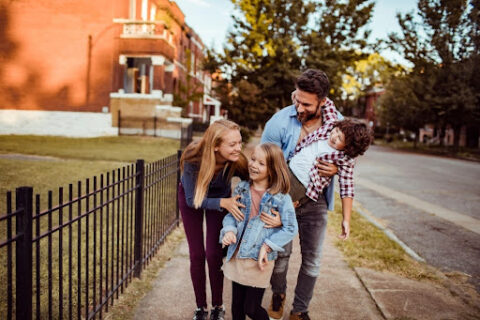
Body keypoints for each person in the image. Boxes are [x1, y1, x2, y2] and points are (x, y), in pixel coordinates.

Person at [261, 69, 343, 320]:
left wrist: (336, 167)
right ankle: (278, 292)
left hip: (316, 200)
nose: (299, 106)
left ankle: (300, 309)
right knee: (281, 254)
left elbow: (349, 155)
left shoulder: (338, 123)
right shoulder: (280, 120)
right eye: (297, 99)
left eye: (306, 104)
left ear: (322, 101)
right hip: (283, 195)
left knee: (312, 259)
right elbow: (264, 159)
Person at [179, 119, 250, 320]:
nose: (239, 148)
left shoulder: (237, 160)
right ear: (216, 146)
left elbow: (254, 182)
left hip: (221, 197)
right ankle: (201, 307)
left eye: (240, 142)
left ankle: (218, 306)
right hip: (193, 198)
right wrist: (224, 203)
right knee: (197, 254)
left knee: (213, 253)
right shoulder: (193, 158)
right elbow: (193, 200)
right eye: (233, 144)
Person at [220, 143, 298, 320]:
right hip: (238, 255)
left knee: (252, 309)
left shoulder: (281, 198)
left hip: (259, 259)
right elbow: (232, 216)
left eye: (261, 163)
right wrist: (229, 231)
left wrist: (268, 245)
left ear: (272, 170)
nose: (253, 165)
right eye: (253, 159)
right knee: (237, 308)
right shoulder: (242, 188)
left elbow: (291, 227)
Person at [288, 117, 373, 241]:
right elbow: (327, 105)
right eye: (337, 131)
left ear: (348, 148)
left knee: (278, 204)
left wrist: (346, 220)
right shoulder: (329, 128)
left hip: (301, 185)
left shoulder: (344, 159)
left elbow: (347, 189)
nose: (334, 136)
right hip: (288, 167)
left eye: (340, 139)